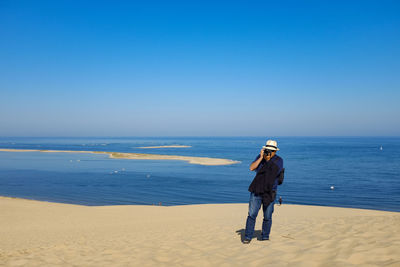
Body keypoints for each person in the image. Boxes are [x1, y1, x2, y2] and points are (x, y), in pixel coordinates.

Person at [243, 140, 284, 243]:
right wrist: (261, 157)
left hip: (270, 191)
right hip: (257, 190)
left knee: (267, 216)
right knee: (252, 214)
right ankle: (248, 236)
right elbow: (252, 167)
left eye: (271, 150)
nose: (268, 152)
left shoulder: (279, 160)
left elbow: (274, 172)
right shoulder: (260, 157)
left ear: (275, 151)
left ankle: (265, 236)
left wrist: (268, 160)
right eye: (267, 149)